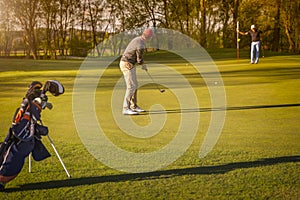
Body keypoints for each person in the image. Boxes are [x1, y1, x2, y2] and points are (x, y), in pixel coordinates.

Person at [119, 29, 155, 115]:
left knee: (135, 85)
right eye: (151, 37)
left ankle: (133, 106)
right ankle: (125, 108)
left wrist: (142, 64)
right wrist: (143, 65)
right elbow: (139, 59)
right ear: (148, 37)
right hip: (127, 64)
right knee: (131, 86)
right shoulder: (141, 43)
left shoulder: (138, 39)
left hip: (128, 63)